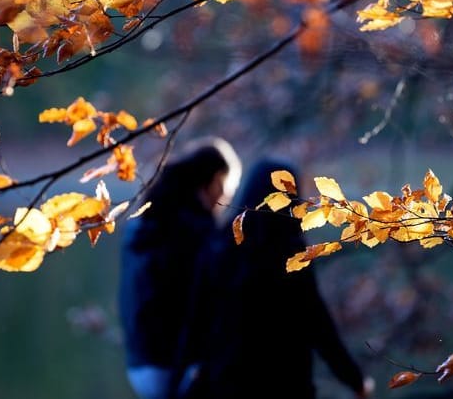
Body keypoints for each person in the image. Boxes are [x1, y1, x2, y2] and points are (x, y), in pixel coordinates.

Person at [192, 159, 373, 399]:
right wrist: (355, 381)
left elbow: (196, 318)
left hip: (228, 381)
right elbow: (319, 325)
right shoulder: (292, 257)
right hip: (287, 383)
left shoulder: (221, 247)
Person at [118, 137, 240, 399]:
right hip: (176, 367)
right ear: (216, 180)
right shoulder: (197, 231)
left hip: (139, 365)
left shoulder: (142, 224)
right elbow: (200, 304)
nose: (226, 197)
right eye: (227, 187)